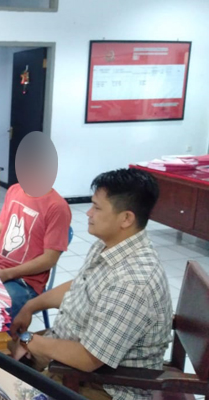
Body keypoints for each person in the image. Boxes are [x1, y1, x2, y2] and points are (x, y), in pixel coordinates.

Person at [9, 168, 172, 400]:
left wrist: (32, 342)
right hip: (68, 353)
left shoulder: (133, 282)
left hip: (103, 385)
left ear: (126, 219)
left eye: (96, 207)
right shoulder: (110, 244)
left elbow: (88, 358)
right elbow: (80, 286)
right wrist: (30, 306)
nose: (88, 212)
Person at [0, 132, 71, 318]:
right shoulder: (14, 190)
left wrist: (7, 274)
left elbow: (49, 259)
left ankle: (9, 336)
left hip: (24, 282)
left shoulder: (57, 207)